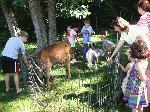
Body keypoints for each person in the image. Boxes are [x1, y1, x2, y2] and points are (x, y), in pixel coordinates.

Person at [123, 40, 149, 112]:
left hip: (135, 88)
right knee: (140, 105)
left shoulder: (138, 64)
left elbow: (142, 77)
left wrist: (145, 78)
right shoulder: (144, 61)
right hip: (141, 87)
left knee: (134, 107)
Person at [137, 0, 150, 104]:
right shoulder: (149, 16)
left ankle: (147, 100)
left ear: (141, 8)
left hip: (146, 47)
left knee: (146, 74)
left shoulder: (143, 18)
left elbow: (142, 32)